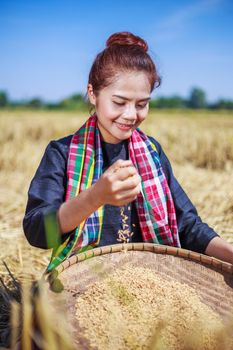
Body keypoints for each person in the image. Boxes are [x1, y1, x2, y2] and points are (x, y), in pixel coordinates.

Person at [23, 31, 233, 272]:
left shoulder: (152, 151)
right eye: (120, 102)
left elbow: (187, 226)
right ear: (93, 94)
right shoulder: (62, 152)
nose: (131, 115)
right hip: (85, 279)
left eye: (142, 104)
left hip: (146, 278)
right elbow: (37, 231)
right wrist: (95, 197)